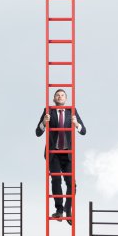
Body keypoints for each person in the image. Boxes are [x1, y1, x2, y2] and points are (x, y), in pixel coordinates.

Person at [35, 89, 86, 225]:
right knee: (56, 180)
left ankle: (68, 210)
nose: (60, 97)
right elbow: (38, 132)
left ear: (66, 98)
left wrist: (77, 124)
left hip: (67, 153)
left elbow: (84, 131)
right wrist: (44, 123)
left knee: (71, 184)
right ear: (54, 99)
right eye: (57, 95)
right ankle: (59, 210)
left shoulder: (72, 111)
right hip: (54, 153)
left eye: (62, 95)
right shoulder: (48, 111)